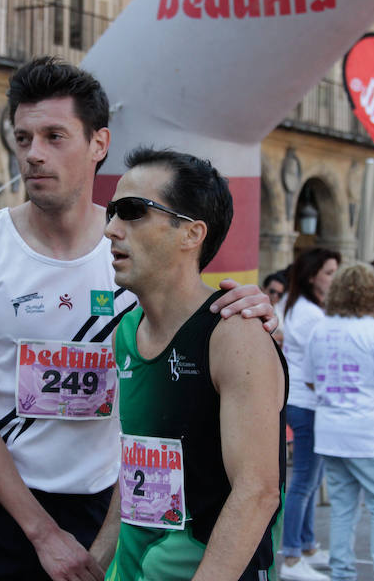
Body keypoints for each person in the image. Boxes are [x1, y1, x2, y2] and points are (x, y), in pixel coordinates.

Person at [0, 57, 275, 581]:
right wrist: (42, 533)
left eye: (54, 136)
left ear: (99, 144)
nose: (34, 155)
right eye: (23, 139)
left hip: (101, 506)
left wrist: (258, 315)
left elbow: (198, 324)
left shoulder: (137, 249)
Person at [95, 147, 287, 580]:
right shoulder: (125, 332)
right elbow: (135, 467)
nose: (110, 229)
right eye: (111, 212)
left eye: (131, 212)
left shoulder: (234, 333)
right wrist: (97, 562)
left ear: (191, 233)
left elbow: (257, 492)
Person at [306, 264, 374, 581]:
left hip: (330, 432)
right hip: (369, 435)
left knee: (343, 507)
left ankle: (342, 574)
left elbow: (313, 382)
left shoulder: (321, 328)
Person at [279, 248, 341, 581]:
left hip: (305, 402)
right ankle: (291, 557)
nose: (333, 279)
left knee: (311, 479)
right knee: (304, 480)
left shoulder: (305, 309)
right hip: (307, 404)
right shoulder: (308, 314)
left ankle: (304, 545)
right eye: (329, 272)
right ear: (312, 275)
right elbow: (324, 360)